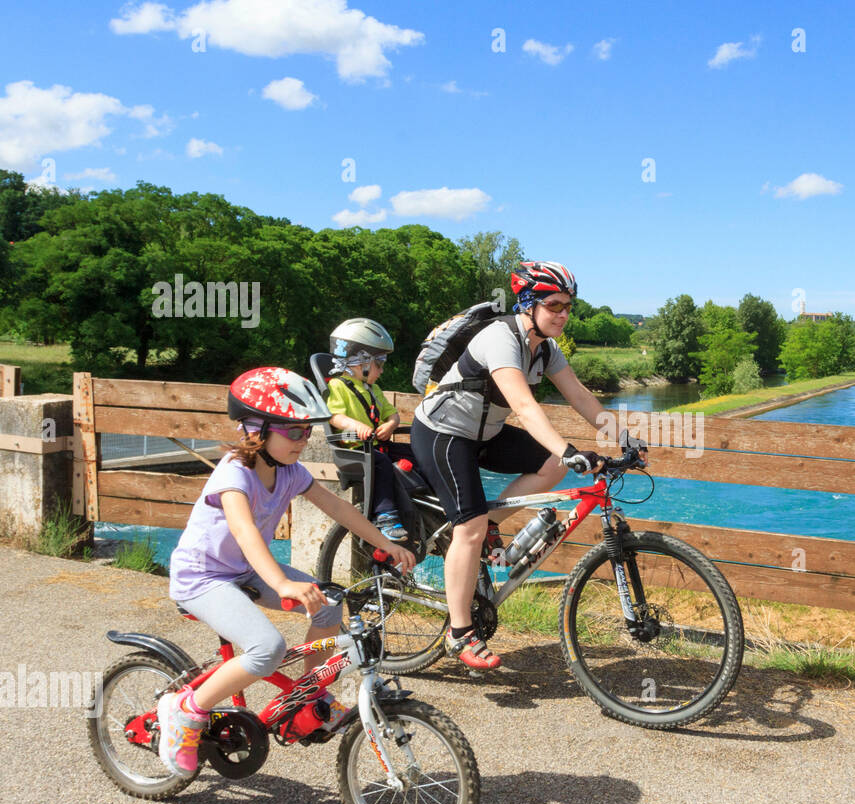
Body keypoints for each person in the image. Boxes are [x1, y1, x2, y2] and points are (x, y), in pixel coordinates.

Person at [160, 367, 416, 775]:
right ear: (257, 430)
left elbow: (338, 508)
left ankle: (309, 695)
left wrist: (386, 544)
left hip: (244, 570)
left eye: (307, 432)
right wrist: (282, 584)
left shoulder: (289, 471)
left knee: (330, 607)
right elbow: (245, 534)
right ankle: (186, 710)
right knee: (267, 648)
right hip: (203, 577)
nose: (304, 440)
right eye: (294, 431)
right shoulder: (233, 475)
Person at [411, 261, 638, 670]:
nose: (564, 314)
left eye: (568, 306)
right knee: (469, 526)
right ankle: (459, 632)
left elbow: (580, 396)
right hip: (443, 432)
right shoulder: (500, 338)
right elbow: (523, 406)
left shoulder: (545, 348)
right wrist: (570, 448)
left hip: (485, 434)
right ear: (529, 304)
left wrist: (624, 439)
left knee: (552, 466)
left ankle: (491, 525)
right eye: (554, 305)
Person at [323, 318, 415, 541]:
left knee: (416, 453)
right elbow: (334, 416)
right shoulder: (337, 386)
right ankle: (386, 515)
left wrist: (390, 424)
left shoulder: (373, 389)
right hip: (355, 448)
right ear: (360, 362)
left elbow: (392, 413)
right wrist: (356, 426)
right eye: (379, 363)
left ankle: (421, 504)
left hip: (376, 445)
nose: (382, 370)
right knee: (381, 463)